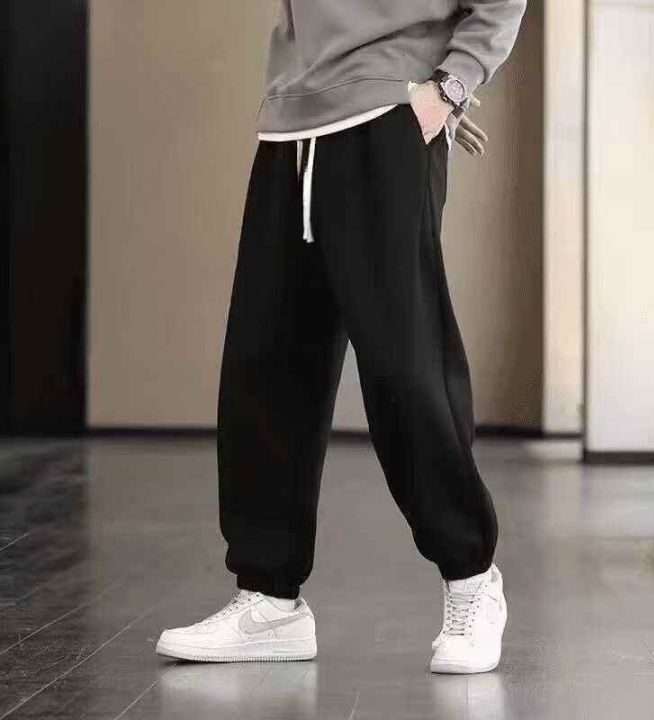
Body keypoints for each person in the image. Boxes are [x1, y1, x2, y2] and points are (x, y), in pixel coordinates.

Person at [157, 0, 526, 674]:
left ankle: (472, 577)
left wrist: (451, 85)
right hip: (291, 123)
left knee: (405, 364)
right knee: (267, 366)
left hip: (386, 117)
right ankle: (270, 598)